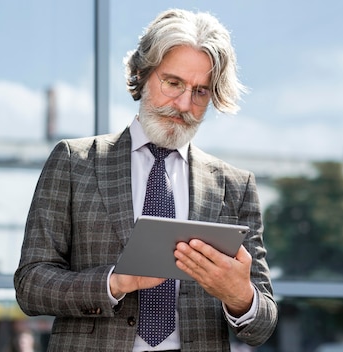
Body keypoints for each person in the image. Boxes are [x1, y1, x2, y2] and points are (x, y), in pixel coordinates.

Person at [14, 8, 278, 352]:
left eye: (200, 92)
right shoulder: (73, 162)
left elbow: (262, 326)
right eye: (173, 83)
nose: (184, 104)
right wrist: (116, 281)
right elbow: (30, 285)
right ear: (142, 73)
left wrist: (241, 297)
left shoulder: (235, 186)